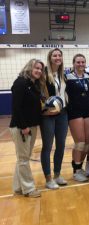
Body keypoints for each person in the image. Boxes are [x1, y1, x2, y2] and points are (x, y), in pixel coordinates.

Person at [10, 59, 45, 197]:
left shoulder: (33, 84)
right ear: (29, 68)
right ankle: (29, 189)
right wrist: (23, 126)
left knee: (23, 158)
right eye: (36, 68)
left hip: (31, 126)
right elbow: (16, 108)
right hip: (22, 128)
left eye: (41, 69)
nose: (39, 71)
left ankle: (18, 187)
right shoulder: (20, 83)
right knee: (24, 159)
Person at [40, 48, 68, 189]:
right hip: (49, 115)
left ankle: (57, 175)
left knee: (61, 145)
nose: (57, 57)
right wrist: (45, 110)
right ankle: (48, 178)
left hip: (62, 114)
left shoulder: (63, 74)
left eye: (59, 55)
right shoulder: (44, 74)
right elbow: (38, 94)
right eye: (54, 55)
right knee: (47, 147)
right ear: (50, 58)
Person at [65, 54, 89, 182]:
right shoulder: (67, 77)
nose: (81, 64)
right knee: (80, 142)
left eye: (83, 62)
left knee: (87, 143)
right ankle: (76, 171)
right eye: (78, 62)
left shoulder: (88, 76)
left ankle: (79, 166)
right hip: (74, 112)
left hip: (86, 111)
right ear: (73, 63)